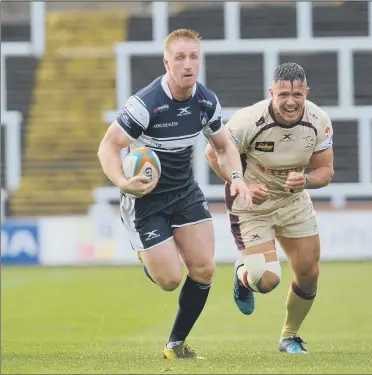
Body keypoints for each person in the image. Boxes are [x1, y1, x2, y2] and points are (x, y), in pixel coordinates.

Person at [97, 28, 252, 359]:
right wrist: (123, 183)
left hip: (184, 192)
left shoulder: (206, 101)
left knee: (205, 269)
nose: (187, 64)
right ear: (167, 62)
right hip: (145, 200)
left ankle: (175, 345)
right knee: (169, 280)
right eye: (179, 57)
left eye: (193, 57)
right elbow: (108, 147)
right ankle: (148, 255)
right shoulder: (145, 105)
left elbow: (223, 145)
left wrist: (236, 177)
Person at [205, 62, 334, 354]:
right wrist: (242, 183)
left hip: (292, 202)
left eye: (297, 95)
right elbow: (213, 153)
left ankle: (290, 337)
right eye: (284, 94)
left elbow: (325, 172)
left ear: (306, 92)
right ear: (271, 92)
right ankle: (242, 274)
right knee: (266, 281)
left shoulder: (319, 120)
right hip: (252, 205)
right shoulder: (247, 120)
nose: (291, 102)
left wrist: (306, 179)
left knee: (309, 271)